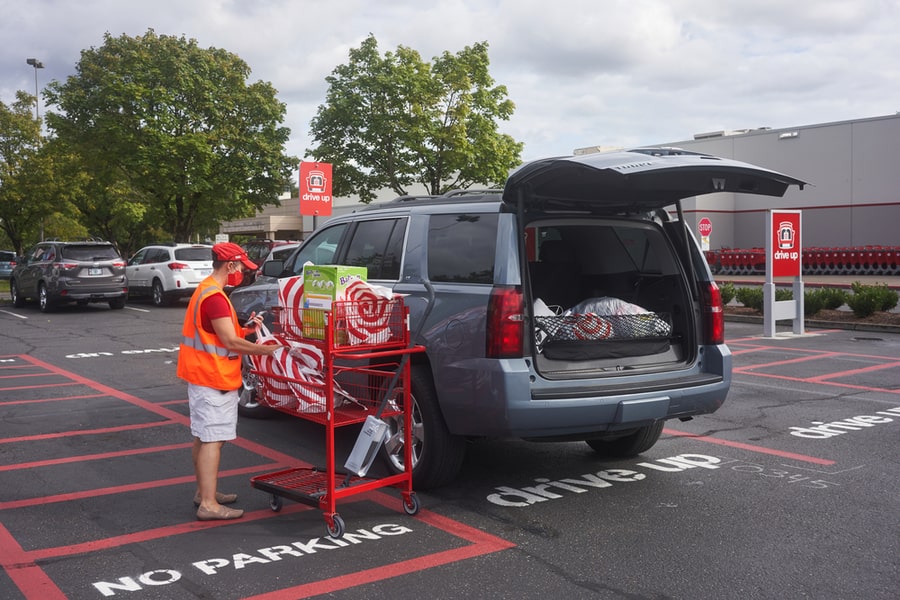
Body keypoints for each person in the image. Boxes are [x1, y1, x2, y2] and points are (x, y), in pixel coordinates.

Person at [177, 242, 281, 521]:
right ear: (230, 266)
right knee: (213, 439)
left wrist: (248, 329)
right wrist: (266, 349)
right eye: (242, 267)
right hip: (214, 378)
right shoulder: (215, 297)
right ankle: (209, 504)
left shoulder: (207, 291)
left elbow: (221, 333)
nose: (243, 274)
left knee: (203, 436)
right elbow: (229, 341)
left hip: (202, 375)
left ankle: (204, 493)